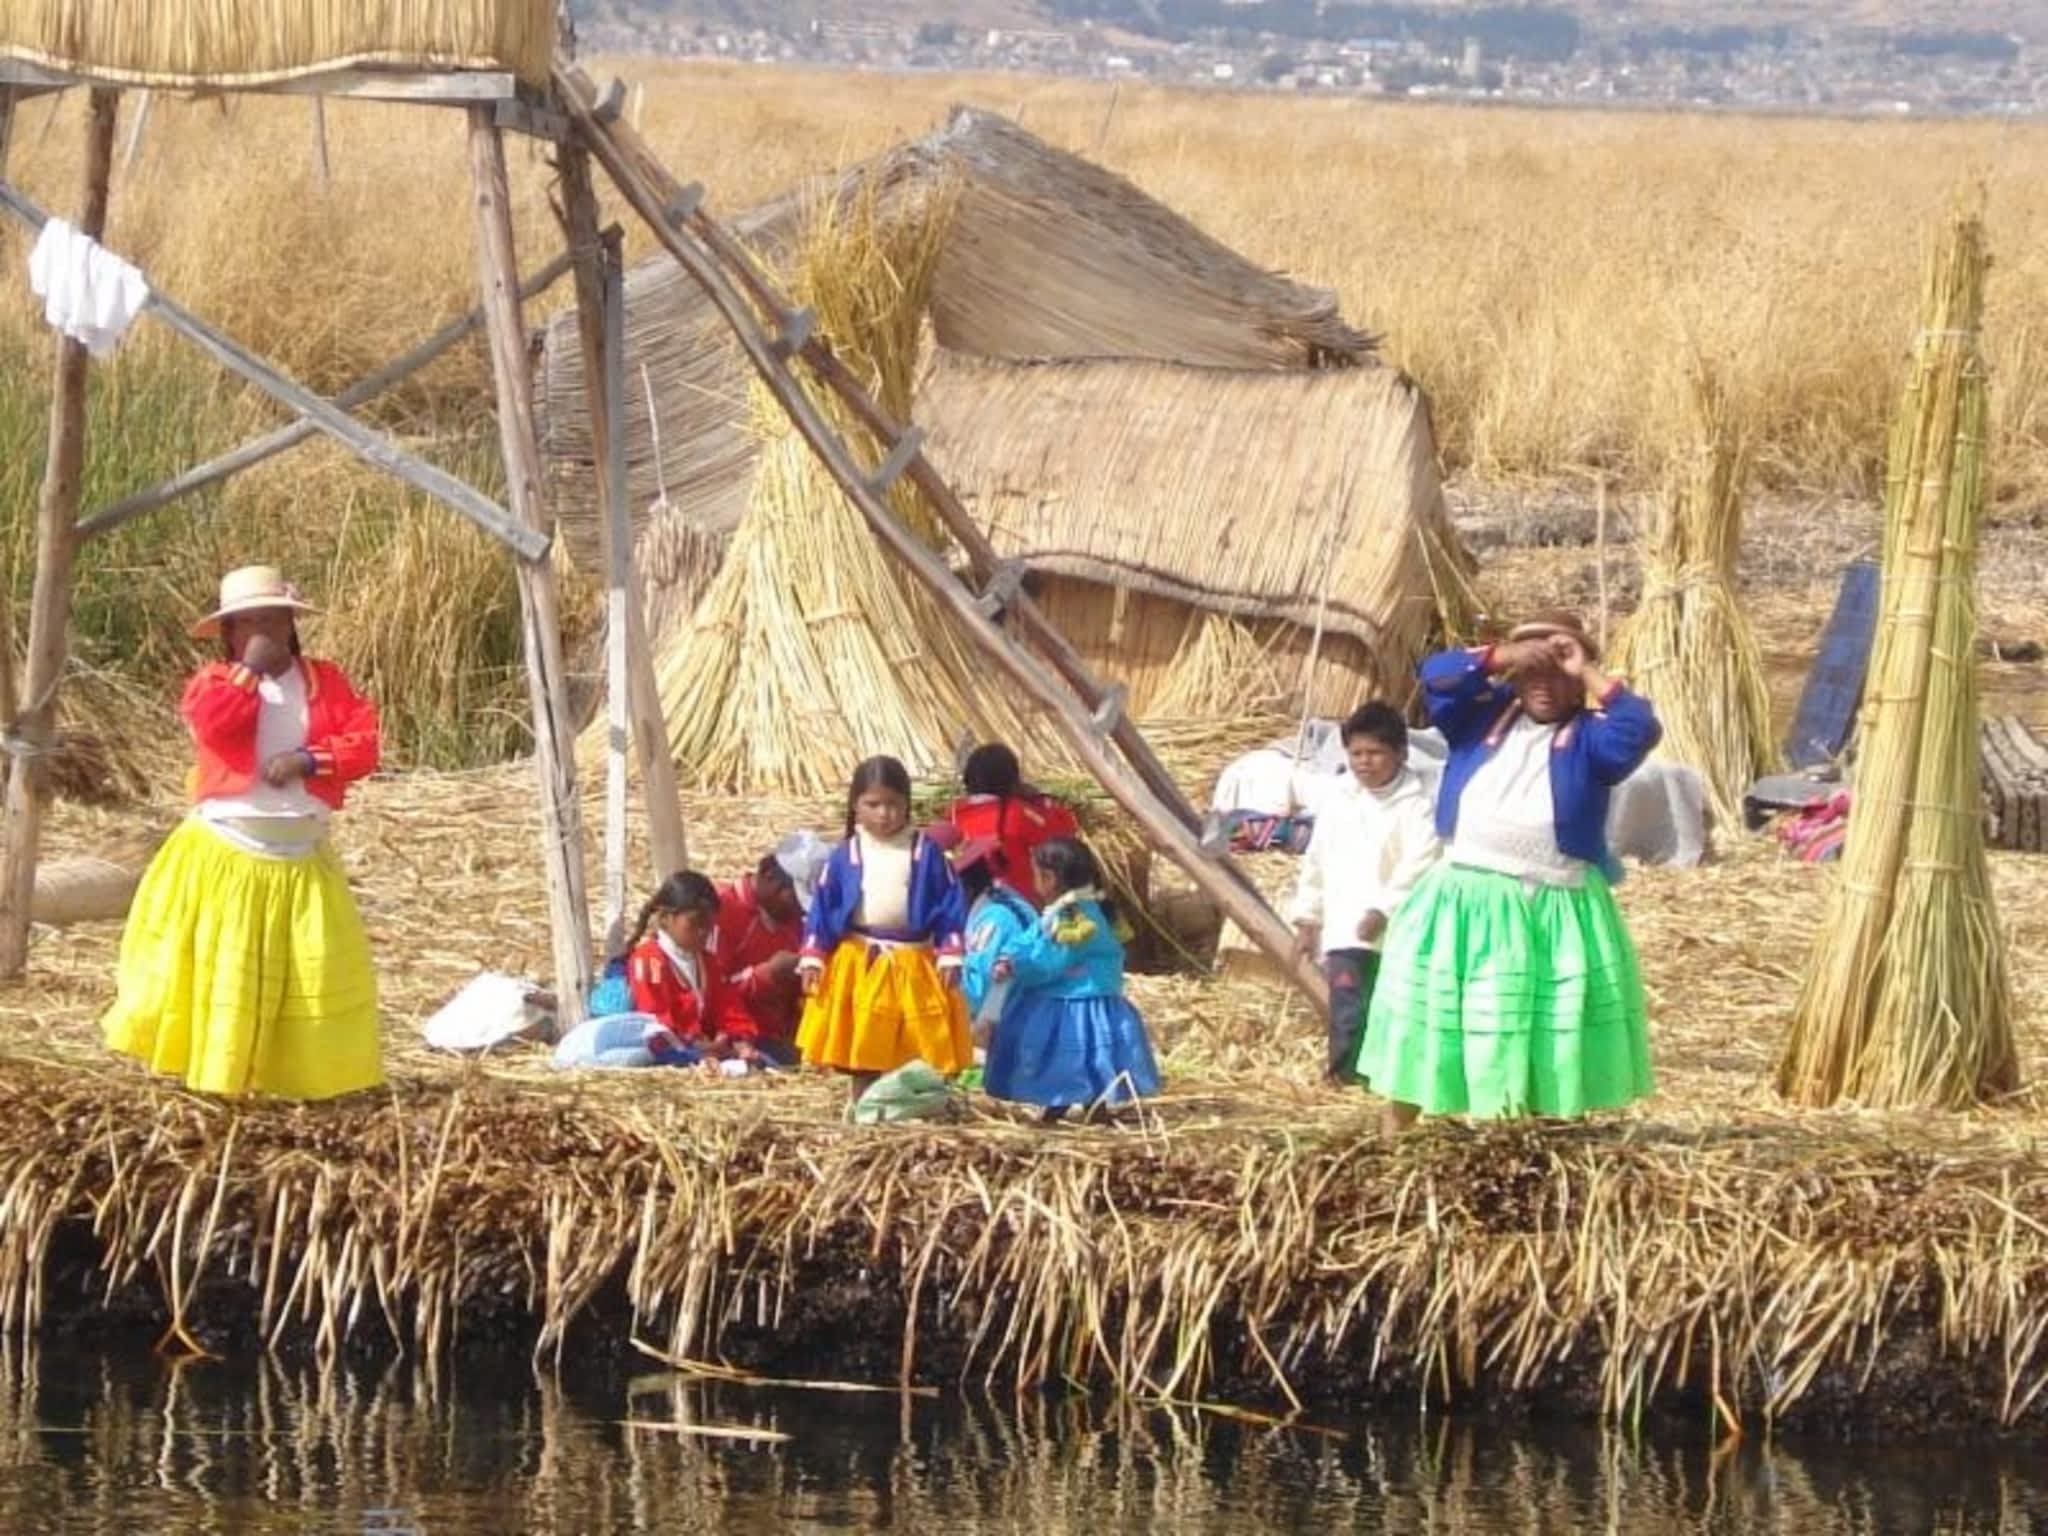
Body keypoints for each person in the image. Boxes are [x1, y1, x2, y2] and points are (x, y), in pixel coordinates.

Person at [1357, 610, 1661, 1134]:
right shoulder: (1480, 719)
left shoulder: (1592, 739)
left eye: (1556, 672)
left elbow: (1641, 729)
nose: (1544, 684)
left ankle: (1530, 1137)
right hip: (1464, 898)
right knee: (1429, 1020)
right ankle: (1394, 1141)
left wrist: (1585, 670)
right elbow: (1436, 675)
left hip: (1551, 903)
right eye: (1532, 671)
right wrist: (1503, 656)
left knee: (1535, 1027)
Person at [102, 565, 382, 1101]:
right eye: (244, 623)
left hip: (299, 859)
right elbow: (216, 725)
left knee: (309, 976)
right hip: (225, 856)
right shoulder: (212, 683)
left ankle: (299, 1082)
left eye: (270, 619)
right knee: (222, 976)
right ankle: (215, 1081)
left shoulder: (327, 681)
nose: (259, 631)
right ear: (228, 634)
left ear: (291, 624)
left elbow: (364, 744)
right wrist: (250, 672)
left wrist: (309, 759)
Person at [798, 757, 972, 1099]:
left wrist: (950, 952)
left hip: (912, 962)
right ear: (855, 806)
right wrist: (814, 956)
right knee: (864, 1047)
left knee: (914, 1047)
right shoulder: (844, 855)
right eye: (873, 804)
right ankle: (862, 1106)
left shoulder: (926, 853)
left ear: (907, 803)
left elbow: (949, 903)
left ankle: (909, 1107)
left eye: (893, 804)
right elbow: (824, 907)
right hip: (862, 962)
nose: (883, 813)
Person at [1288, 702, 1440, 1085]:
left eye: (1375, 753)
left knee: (1389, 1008)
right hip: (1344, 929)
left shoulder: (1417, 804)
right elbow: (1318, 858)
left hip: (1394, 932)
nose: (1364, 762)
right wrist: (1308, 918)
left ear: (1401, 753)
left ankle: (1386, 1078)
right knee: (1347, 1008)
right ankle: (1343, 1078)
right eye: (1356, 753)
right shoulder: (1340, 798)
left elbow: (1420, 862)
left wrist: (1385, 910)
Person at [986, 838, 1161, 1120]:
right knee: (1089, 1056)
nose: (1034, 883)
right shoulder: (1082, 907)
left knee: (1067, 1053)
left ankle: (1074, 1103)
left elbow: (1052, 961)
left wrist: (1017, 968)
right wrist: (1011, 955)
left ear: (1050, 878)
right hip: (1085, 995)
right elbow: (1030, 938)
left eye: (1035, 875)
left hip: (1072, 1000)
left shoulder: (1073, 919)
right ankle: (1083, 1105)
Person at [623, 870, 769, 1065]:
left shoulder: (707, 961)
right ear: (666, 918)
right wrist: (696, 1045)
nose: (703, 932)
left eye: (709, 925)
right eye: (695, 923)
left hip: (708, 1049)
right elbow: (655, 1021)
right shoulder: (648, 961)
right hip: (670, 1053)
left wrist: (738, 1040)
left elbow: (727, 1006)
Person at [713, 830, 830, 1060]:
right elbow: (709, 992)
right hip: (739, 1038)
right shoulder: (721, 912)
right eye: (792, 896)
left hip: (784, 1033)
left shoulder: (796, 920)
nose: (799, 909)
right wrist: (768, 974)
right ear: (768, 874)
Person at [945, 742, 1080, 909]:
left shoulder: (954, 814)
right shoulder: (1016, 813)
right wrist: (1038, 800)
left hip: (966, 907)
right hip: (1018, 907)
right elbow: (1065, 834)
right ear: (1012, 780)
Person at [953, 837, 1037, 1042]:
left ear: (963, 886)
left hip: (1010, 1023)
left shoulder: (995, 920)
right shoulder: (1003, 897)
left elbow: (977, 989)